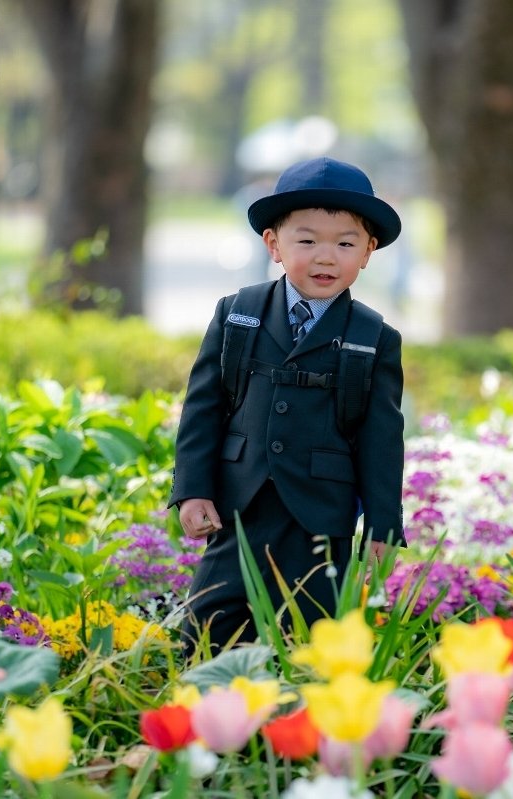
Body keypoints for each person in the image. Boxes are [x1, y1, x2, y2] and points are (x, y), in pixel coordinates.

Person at [169, 157, 406, 656]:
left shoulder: (374, 338)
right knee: (209, 626)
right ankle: (208, 717)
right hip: (241, 506)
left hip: (323, 517)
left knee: (315, 638)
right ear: (273, 245)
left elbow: (381, 438)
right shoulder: (237, 315)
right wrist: (192, 491)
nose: (326, 257)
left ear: (368, 252)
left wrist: (383, 527)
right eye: (307, 240)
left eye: (345, 243)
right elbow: (202, 409)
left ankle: (301, 726)